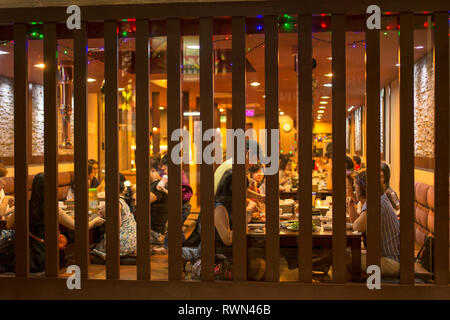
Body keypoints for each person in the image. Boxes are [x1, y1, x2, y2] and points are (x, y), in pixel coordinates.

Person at [0, 173, 104, 272]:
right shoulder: (52, 208)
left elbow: (9, 225)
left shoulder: (24, 205)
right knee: (66, 238)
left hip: (21, 255)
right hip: (45, 255)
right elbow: (75, 226)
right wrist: (95, 221)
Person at [182, 169, 265, 281]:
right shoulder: (219, 208)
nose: (247, 191)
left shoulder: (228, 203)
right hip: (215, 258)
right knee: (258, 261)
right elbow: (227, 240)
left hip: (225, 252)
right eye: (245, 188)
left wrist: (250, 204)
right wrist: (245, 218)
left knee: (257, 256)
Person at [347, 170, 400, 277]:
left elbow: (358, 227)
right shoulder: (379, 199)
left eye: (355, 187)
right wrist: (351, 205)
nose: (354, 190)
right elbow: (358, 222)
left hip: (390, 262)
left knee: (342, 255)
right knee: (345, 252)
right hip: (388, 258)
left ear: (363, 188)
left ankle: (352, 291)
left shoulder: (375, 202)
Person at [93, 173, 137, 258]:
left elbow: (116, 224)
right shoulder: (122, 199)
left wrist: (104, 216)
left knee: (100, 244)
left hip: (124, 242)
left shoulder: (116, 202)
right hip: (133, 241)